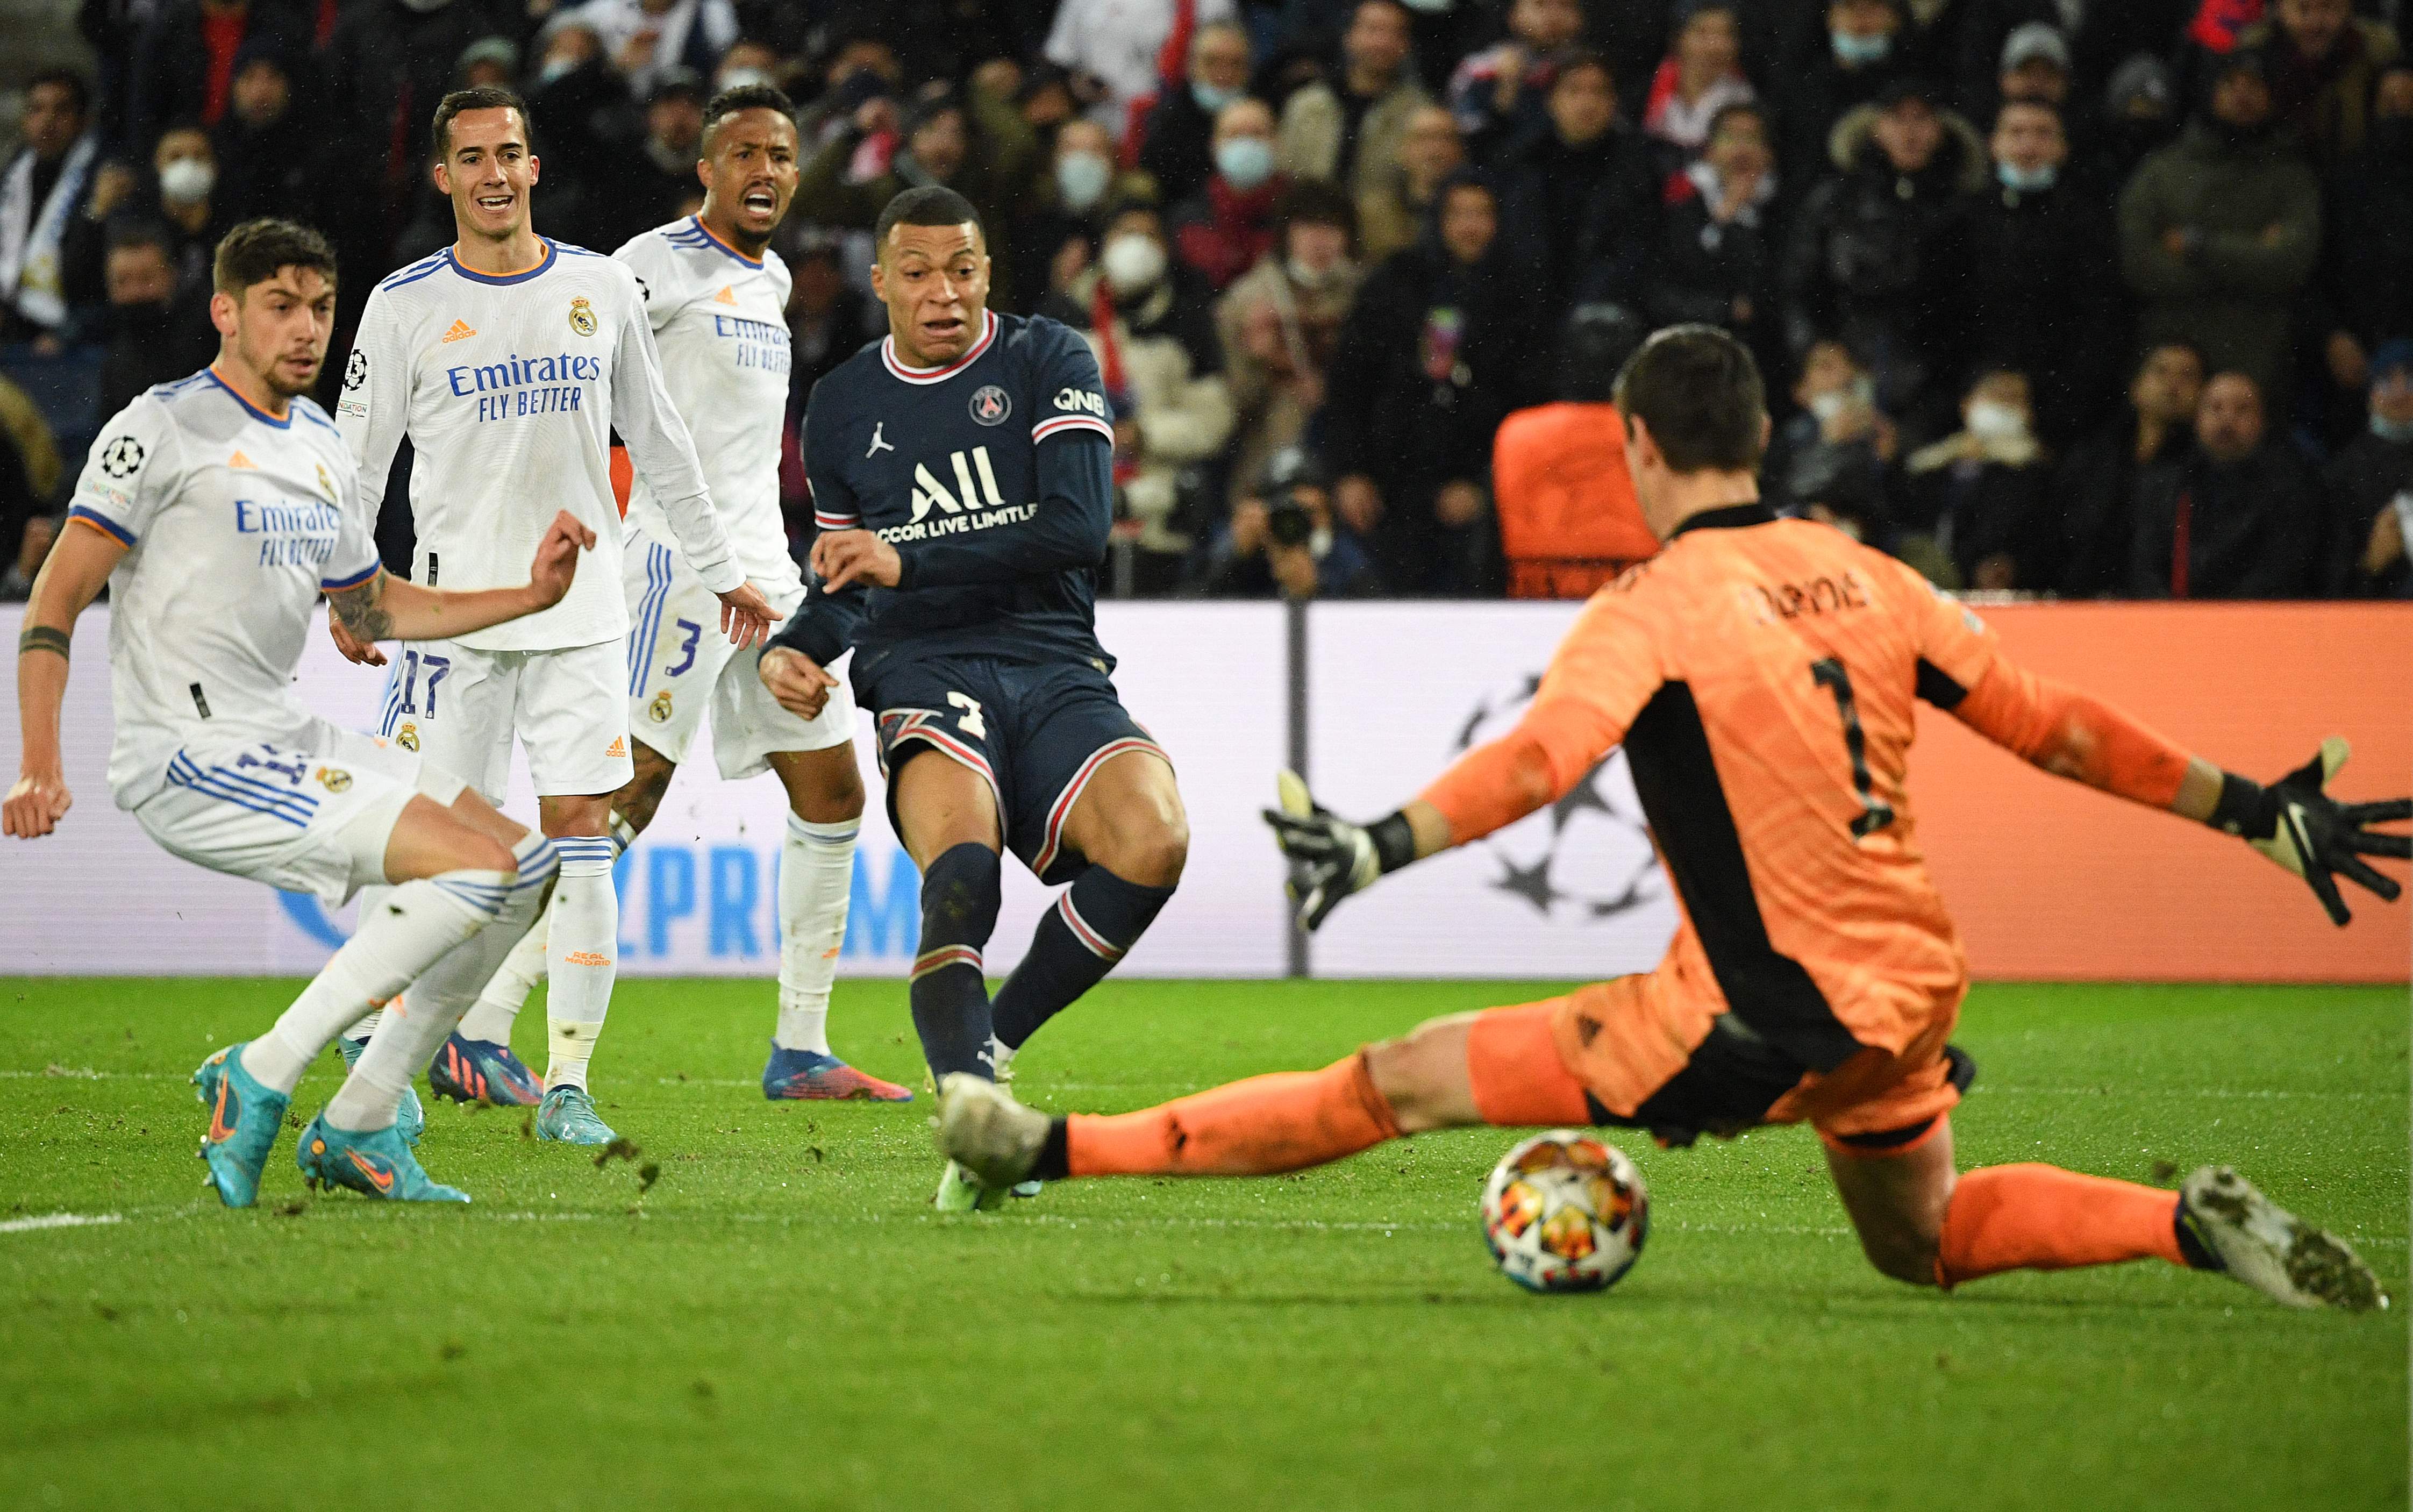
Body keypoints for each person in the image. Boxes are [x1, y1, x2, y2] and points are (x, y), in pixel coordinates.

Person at [935, 323, 2405, 1316]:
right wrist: (2254, 808)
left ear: (1636, 443)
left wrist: (1387, 842)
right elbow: (2056, 723)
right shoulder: (1870, 572)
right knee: (1924, 1240)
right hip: (1906, 986)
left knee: (1392, 1081)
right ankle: (2183, 1222)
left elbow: (1543, 757)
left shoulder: (1655, 605)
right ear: (1763, 432)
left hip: (1756, 1009)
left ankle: (1040, 1146)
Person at [4, 217, 586, 1208]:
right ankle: (265, 1068)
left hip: (281, 734)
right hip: (188, 753)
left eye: (320, 306)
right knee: (477, 868)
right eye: (281, 306)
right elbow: (55, 601)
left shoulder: (320, 443)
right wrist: (39, 760)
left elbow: (373, 608)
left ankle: (361, 1121)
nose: (307, 327)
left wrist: (529, 596)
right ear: (226, 313)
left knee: (528, 866)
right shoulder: (160, 429)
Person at [444, 85, 911, 1105]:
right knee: (620, 799)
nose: (764, 171)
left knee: (833, 790)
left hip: (766, 574)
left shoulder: (773, 278)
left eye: (779, 155)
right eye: (743, 154)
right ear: (706, 171)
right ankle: (474, 1021)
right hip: (674, 564)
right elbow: (557, 343)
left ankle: (800, 1047)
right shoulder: (651, 264)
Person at [332, 87, 774, 1142]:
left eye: (510, 154)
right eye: (472, 158)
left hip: (583, 618)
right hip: (455, 622)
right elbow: (355, 467)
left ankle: (568, 1081)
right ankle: (374, 1044)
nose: (493, 175)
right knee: (446, 857)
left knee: (584, 838)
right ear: (443, 176)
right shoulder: (402, 303)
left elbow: (662, 444)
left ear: (535, 167)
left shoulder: (598, 287)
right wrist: (349, 591)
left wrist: (721, 572)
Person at [756, 185, 1190, 1210]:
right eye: (917, 273)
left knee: (1155, 841)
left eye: (961, 270)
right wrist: (800, 646)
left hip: (1052, 659)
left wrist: (905, 557)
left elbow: (1077, 526)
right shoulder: (842, 405)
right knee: (962, 871)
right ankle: (974, 1116)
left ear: (987, 273)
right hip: (922, 666)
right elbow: (849, 579)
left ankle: (987, 1049)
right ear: (880, 281)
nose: (942, 293)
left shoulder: (1050, 359)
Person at [1323, 170, 1532, 595]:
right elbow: (1350, 387)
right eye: (1459, 214)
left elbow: (1527, 406)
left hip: (1479, 510)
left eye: (1482, 214)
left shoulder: (1522, 296)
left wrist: (1485, 486)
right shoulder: (1394, 283)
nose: (1470, 227)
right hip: (1389, 498)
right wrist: (1350, 472)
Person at [1044, 200, 1233, 589]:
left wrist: (1146, 435)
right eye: (1127, 233)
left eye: (1150, 236)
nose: (1138, 245)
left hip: (1160, 521)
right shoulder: (1058, 319)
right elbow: (1032, 412)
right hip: (1074, 524)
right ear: (1104, 243)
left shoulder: (1188, 323)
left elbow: (1214, 420)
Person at [2117, 53, 2319, 405]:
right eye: (2230, 83)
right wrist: (2250, 258)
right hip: (2170, 348)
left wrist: (2198, 248)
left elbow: (2290, 264)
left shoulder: (2292, 177)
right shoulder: (2163, 170)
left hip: (2259, 356)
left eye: (2254, 84)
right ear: (2209, 91)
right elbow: (2138, 264)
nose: (2242, 94)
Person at [1782, 77, 1978, 440]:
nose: (1910, 132)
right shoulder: (1833, 201)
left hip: (1933, 389)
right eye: (1897, 118)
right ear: (1875, 127)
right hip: (1842, 376)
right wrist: (1816, 351)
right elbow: (1799, 287)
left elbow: (1971, 310)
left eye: (1922, 119)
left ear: (1941, 130)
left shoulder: (1964, 210)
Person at [1215, 180, 1361, 509]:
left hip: (1347, 470)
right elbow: (1233, 406)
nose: (1320, 240)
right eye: (1307, 226)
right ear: (1286, 234)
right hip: (1267, 462)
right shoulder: (1246, 300)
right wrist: (1258, 361)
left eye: (1331, 227)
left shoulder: (1365, 297)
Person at [2128, 370, 2324, 599]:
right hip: (2174, 615)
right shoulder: (2165, 486)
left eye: (2242, 409)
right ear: (2197, 417)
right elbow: (2146, 567)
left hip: (2257, 615)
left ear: (2262, 420)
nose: (2227, 419)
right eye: (2216, 408)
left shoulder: (2290, 489)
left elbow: (2280, 573)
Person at [1491, 51, 1653, 325]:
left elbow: (1635, 253)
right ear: (1552, 100)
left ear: (1614, 102)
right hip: (1527, 312)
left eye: (1599, 92)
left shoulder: (1637, 168)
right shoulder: (1520, 161)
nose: (1587, 103)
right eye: (1574, 90)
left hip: (1604, 315)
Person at [2055, 341, 2204, 597]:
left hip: (2164, 607)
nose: (2173, 386)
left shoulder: (2205, 468)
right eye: (2161, 372)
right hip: (2083, 600)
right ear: (2136, 387)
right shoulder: (2093, 457)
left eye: (2187, 376)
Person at [1897, 367, 2052, 590]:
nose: (2004, 405)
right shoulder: (1926, 467)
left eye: (2015, 398)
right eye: (1996, 394)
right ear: (1967, 404)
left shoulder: (2036, 474)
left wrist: (2013, 566)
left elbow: (2041, 544)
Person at [1275, 0, 1430, 203]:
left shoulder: (1421, 113)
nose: (1382, 43)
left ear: (1407, 44)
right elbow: (1285, 176)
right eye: (1373, 30)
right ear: (1349, 37)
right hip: (1312, 218)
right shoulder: (1306, 104)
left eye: (1395, 33)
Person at [2233, 0, 2401, 172]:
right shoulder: (2253, 60)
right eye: (2303, 8)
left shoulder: (2377, 58)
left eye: (2329, 8)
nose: (2316, 23)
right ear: (2280, 9)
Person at [1, 70, 103, 347]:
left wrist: (69, 333)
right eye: (37, 109)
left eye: (61, 110)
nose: (48, 121)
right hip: (15, 321)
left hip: (73, 334)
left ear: (83, 120)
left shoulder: (100, 178)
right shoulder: (14, 174)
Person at [1203, 443, 1380, 597]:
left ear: (1329, 513)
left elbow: (1373, 617)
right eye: (1288, 511)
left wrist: (1316, 592)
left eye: (1310, 512)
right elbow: (1193, 601)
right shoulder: (1246, 547)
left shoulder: (1345, 559)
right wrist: (1231, 558)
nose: (1297, 524)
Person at [97, 222, 218, 416]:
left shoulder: (210, 334)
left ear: (171, 276)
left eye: (146, 279)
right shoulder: (114, 361)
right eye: (122, 281)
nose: (135, 292)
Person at [1171, 96, 1288, 291]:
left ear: (1277, 143)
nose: (1246, 144)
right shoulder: (1189, 216)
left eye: (1257, 134)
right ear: (1214, 146)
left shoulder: (1298, 212)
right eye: (1235, 135)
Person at [2325, 340, 2413, 598]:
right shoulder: (2344, 473)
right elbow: (2330, 576)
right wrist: (2371, 563)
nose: (2399, 392)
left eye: (2410, 380)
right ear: (2371, 393)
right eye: (2386, 380)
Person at [1137, 22, 1253, 208]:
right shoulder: (1168, 120)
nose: (1224, 73)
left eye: (1236, 64)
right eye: (1211, 62)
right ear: (1191, 65)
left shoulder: (1262, 114)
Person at [1355, 102, 1463, 266]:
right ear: (1403, 149)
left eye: (1446, 139)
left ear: (1460, 150)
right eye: (1423, 138)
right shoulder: (1373, 215)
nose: (1435, 150)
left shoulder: (1476, 213)